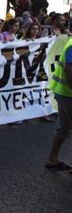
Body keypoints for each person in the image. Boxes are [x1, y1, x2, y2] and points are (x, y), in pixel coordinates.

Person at [45, 37, 72, 172]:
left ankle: (52, 159)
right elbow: (69, 68)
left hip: (63, 92)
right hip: (68, 94)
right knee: (64, 126)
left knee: (64, 126)